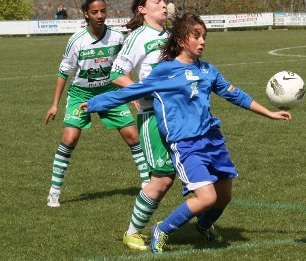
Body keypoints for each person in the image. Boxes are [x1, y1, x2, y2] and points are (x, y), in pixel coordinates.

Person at [80, 13, 292, 253]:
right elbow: (128, 92)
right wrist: (96, 103)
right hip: (186, 145)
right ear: (181, 40)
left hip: (213, 140)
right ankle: (162, 229)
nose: (202, 41)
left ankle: (202, 227)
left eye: (204, 37)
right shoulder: (164, 72)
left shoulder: (208, 71)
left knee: (224, 196)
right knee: (206, 198)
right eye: (196, 36)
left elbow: (235, 94)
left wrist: (269, 113)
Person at [44, 0, 149, 208]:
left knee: (132, 136)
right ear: (86, 14)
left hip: (110, 92)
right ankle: (54, 192)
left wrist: (131, 92)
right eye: (95, 12)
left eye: (103, 11)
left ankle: (148, 184)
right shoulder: (76, 40)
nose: (100, 16)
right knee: (70, 138)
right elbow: (64, 73)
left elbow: (124, 66)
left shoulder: (117, 37)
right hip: (81, 94)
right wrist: (55, 104)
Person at [104, 0, 176, 251]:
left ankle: (202, 219)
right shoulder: (137, 37)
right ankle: (132, 232)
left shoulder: (171, 36)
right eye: (157, 2)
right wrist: (139, 91)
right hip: (153, 116)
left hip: (180, 116)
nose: (164, 5)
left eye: (164, 1)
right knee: (163, 179)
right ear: (142, 10)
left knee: (195, 168)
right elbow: (116, 72)